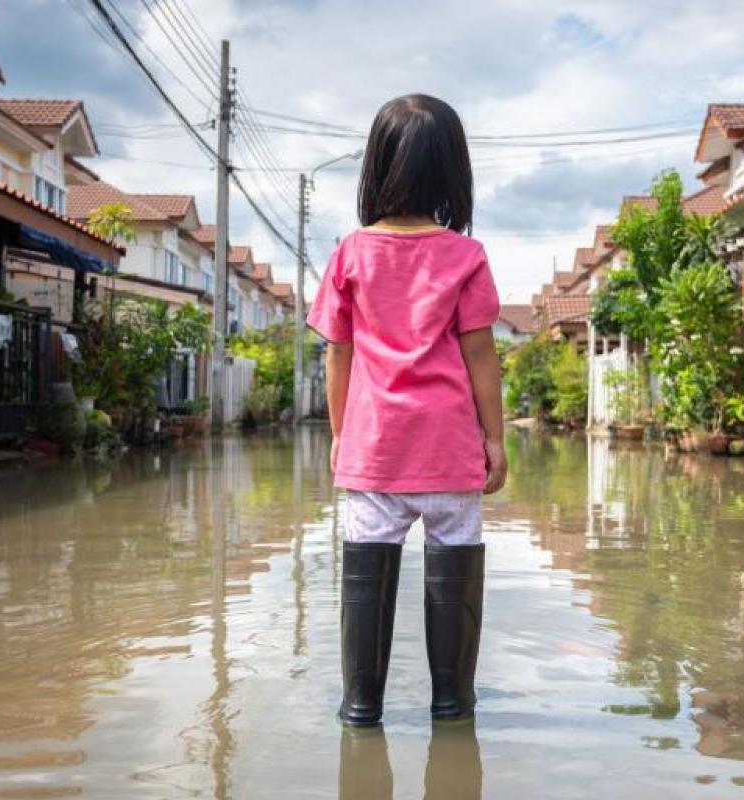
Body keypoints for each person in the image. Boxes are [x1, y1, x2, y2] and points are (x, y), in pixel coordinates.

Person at [307, 94, 506, 728]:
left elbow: (336, 357)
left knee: (366, 576)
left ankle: (361, 706)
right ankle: (453, 707)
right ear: (453, 171)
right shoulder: (466, 256)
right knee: (456, 571)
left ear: (376, 164)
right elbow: (481, 356)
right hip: (450, 451)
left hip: (377, 451)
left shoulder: (351, 254)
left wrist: (341, 435)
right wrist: (495, 441)